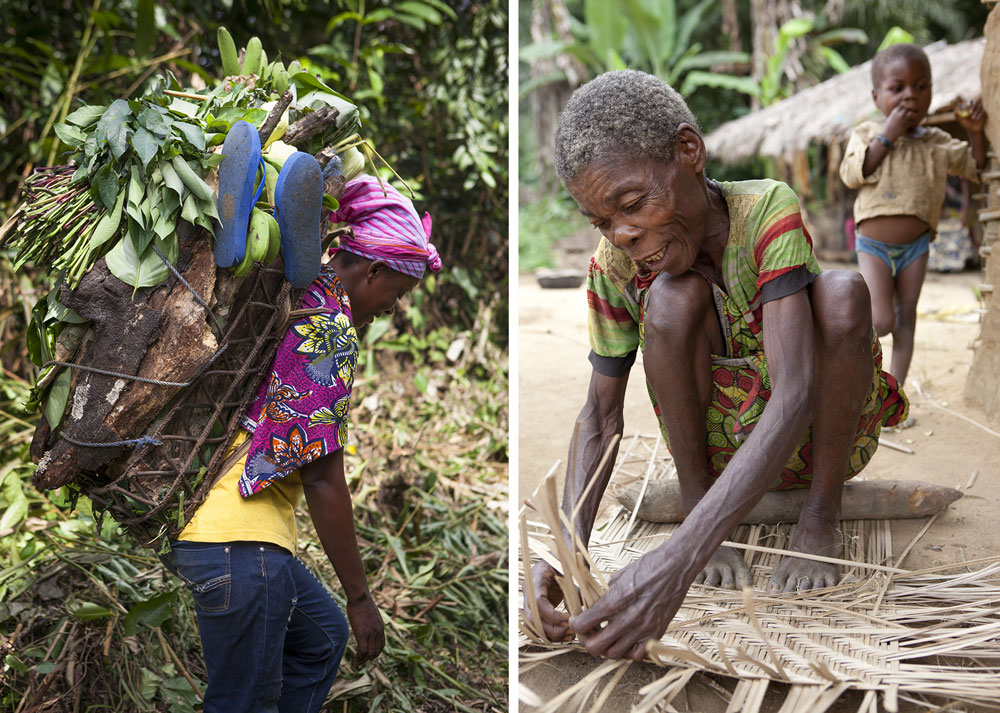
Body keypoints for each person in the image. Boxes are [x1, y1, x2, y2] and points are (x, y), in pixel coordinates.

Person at [525, 70, 908, 662]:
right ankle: (707, 507)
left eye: (631, 205)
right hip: (713, 463)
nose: (622, 233)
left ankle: (818, 512)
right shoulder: (615, 269)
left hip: (815, 441)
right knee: (671, 299)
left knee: (842, 294)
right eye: (602, 221)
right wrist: (566, 549)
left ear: (689, 152)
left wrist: (683, 555)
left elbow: (796, 391)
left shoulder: (764, 212)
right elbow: (601, 416)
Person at [171, 173, 442, 712]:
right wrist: (362, 597)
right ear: (375, 270)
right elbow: (321, 477)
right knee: (243, 703)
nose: (394, 306)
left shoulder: (300, 290)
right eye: (398, 292)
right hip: (241, 545)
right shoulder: (329, 330)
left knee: (321, 638)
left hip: (210, 531)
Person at [839, 43, 986, 401]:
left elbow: (977, 168)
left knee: (906, 319)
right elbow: (852, 174)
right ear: (877, 97)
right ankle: (856, 380)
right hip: (873, 246)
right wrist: (888, 134)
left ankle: (892, 397)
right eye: (897, 88)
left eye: (921, 87)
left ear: (933, 92)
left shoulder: (937, 142)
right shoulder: (867, 135)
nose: (911, 96)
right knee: (882, 321)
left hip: (916, 247)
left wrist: (976, 132)